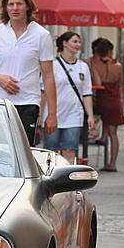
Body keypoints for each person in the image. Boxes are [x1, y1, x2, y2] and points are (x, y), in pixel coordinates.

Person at [0, 0, 58, 145]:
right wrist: (0, 79)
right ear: (5, 8)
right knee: (0, 148)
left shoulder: (41, 35)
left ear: (27, 6)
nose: (15, 8)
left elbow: (48, 76)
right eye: (11, 4)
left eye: (19, 4)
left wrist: (52, 114)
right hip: (0, 102)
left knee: (24, 148)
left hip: (29, 102)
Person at [43, 31, 94, 163]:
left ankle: (67, 174)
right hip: (53, 113)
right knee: (51, 151)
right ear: (65, 43)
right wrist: (40, 114)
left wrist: (90, 115)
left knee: (70, 149)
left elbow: (86, 93)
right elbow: (43, 91)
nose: (78, 45)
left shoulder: (83, 67)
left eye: (79, 42)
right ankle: (52, 175)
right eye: (75, 42)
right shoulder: (52, 65)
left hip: (74, 114)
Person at [89, 38, 124, 172]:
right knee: (113, 133)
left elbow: (98, 83)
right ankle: (112, 162)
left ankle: (103, 137)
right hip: (114, 99)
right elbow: (120, 83)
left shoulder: (93, 63)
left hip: (101, 99)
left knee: (106, 123)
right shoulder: (118, 65)